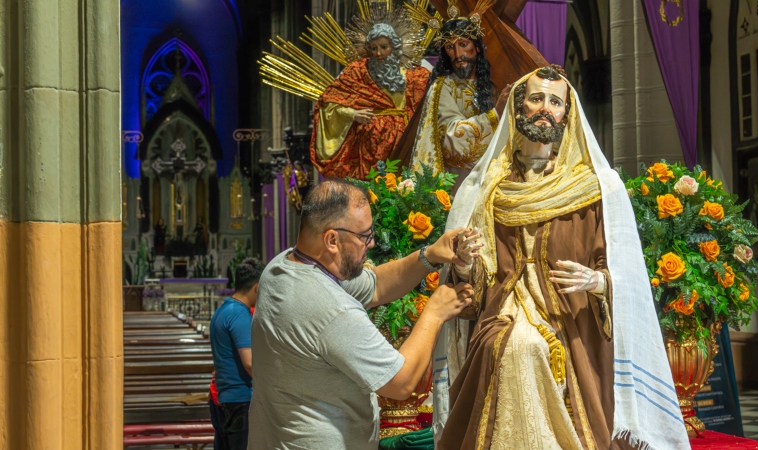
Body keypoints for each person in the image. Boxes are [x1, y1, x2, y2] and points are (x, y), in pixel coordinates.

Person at [433, 66, 690, 449]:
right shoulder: (487, 188)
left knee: (530, 348)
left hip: (574, 318)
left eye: (555, 102)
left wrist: (597, 281)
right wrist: (466, 263)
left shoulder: (595, 186)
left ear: (567, 114)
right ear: (518, 110)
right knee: (518, 346)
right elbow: (474, 287)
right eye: (536, 98)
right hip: (507, 309)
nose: (544, 108)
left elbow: (625, 275)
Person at [247, 179, 480, 449]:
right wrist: (435, 313)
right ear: (332, 239)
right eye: (364, 236)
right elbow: (400, 383)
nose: (370, 245)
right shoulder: (330, 309)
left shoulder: (282, 266)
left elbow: (376, 286)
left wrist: (428, 256)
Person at [309, 21, 430, 180]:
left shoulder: (415, 75)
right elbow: (327, 105)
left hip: (403, 143)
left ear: (394, 47)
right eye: (374, 48)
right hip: (368, 147)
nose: (379, 54)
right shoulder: (357, 72)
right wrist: (352, 113)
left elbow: (429, 105)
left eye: (384, 47)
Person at [407, 13, 511, 189]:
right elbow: (451, 140)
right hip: (458, 182)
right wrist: (494, 115)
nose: (458, 55)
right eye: (450, 48)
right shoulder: (442, 87)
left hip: (493, 177)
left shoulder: (493, 85)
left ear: (477, 47)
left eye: (464, 45)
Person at [209, 257, 264, 450]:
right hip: (240, 401)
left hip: (225, 400)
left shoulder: (223, 310)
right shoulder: (239, 314)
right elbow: (249, 363)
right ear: (257, 287)